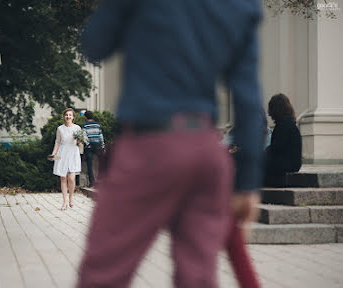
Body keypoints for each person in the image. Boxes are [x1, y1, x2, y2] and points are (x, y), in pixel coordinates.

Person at [77, 1, 265, 287]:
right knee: (197, 278)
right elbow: (248, 97)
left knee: (102, 274)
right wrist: (248, 182)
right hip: (205, 150)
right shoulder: (242, 4)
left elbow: (95, 44)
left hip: (148, 148)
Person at [49, 108, 83, 210]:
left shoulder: (77, 128)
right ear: (64, 117)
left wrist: (79, 141)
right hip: (62, 154)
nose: (68, 116)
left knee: (71, 178)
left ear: (73, 117)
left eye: (70, 115)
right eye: (66, 115)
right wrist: (53, 154)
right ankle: (64, 202)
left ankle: (71, 197)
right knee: (63, 178)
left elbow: (80, 142)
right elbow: (58, 142)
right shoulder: (60, 129)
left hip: (73, 153)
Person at [265, 93, 302, 176]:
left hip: (286, 165)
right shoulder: (289, 123)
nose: (269, 114)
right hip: (292, 164)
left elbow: (275, 148)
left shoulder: (282, 125)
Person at [82, 111, 105, 187]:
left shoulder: (84, 125)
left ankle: (92, 183)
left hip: (89, 146)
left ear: (85, 117)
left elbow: (84, 136)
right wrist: (103, 146)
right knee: (99, 163)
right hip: (97, 145)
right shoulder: (97, 125)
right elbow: (100, 136)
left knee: (89, 164)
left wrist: (87, 144)